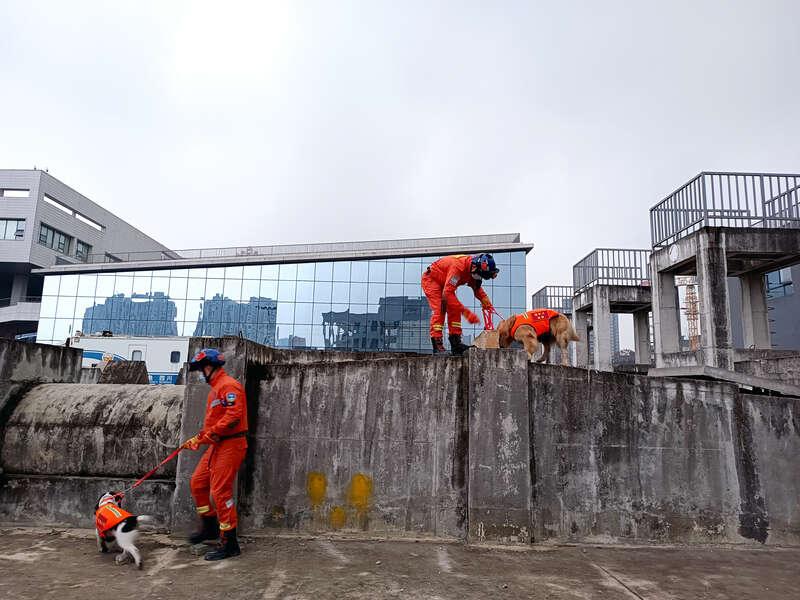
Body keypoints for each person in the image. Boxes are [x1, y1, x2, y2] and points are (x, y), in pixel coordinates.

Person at [182, 348, 248, 561]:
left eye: (201, 369)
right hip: (217, 444)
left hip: (231, 444)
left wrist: (205, 436)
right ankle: (209, 527)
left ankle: (229, 542)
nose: (200, 373)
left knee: (220, 491)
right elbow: (217, 422)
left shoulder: (229, 386)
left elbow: (233, 417)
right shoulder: (215, 388)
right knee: (198, 483)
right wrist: (200, 438)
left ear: (209, 367)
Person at [421, 253, 499, 355]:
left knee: (454, 310)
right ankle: (437, 346)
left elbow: (477, 288)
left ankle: (456, 345)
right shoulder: (458, 268)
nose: (479, 278)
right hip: (432, 280)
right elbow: (447, 293)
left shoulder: (473, 269)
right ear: (475, 268)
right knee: (440, 309)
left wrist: (485, 300)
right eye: (480, 275)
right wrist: (466, 313)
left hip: (446, 284)